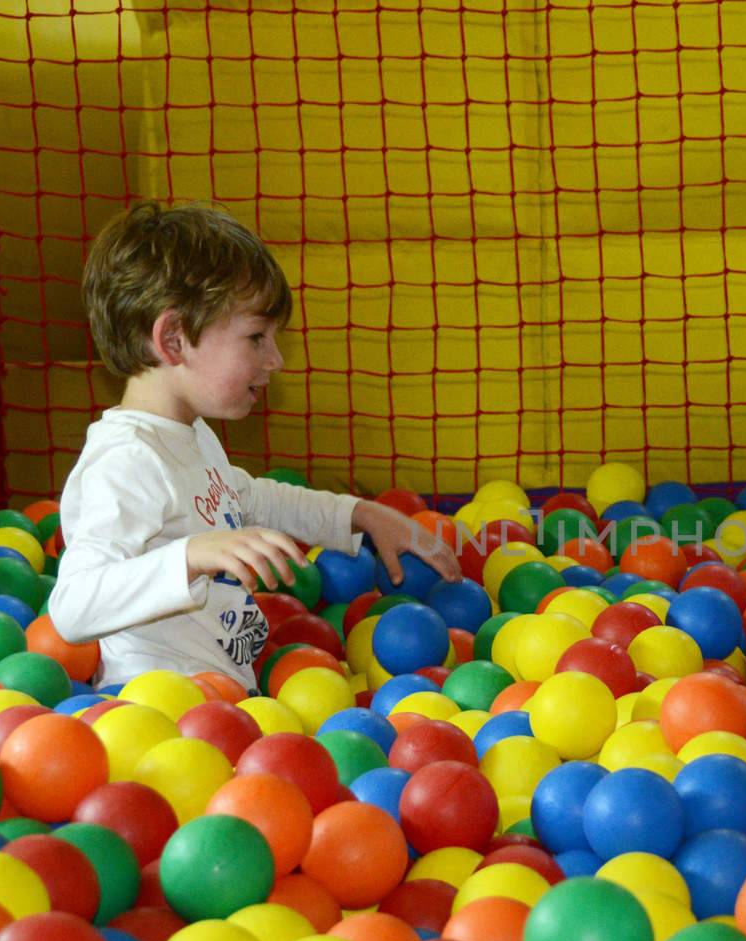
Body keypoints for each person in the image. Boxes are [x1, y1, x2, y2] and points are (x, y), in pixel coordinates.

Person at [49, 201, 461, 689]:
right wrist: (191, 555)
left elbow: (253, 501)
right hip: (161, 710)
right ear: (174, 340)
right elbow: (73, 606)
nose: (276, 359)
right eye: (256, 337)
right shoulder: (126, 460)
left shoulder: (191, 435)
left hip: (227, 704)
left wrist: (358, 515)